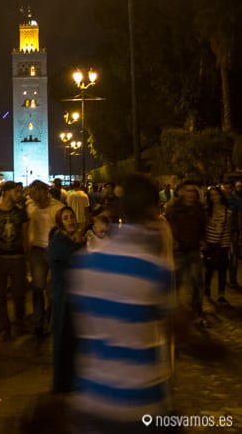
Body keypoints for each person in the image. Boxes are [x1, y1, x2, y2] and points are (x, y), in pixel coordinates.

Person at [69, 174, 181, 433]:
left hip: (93, 396)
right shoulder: (152, 268)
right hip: (143, 401)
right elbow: (176, 326)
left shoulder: (86, 262)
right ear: (154, 210)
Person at [0, 181, 29, 341]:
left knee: (19, 294)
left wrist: (26, 259)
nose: (19, 194)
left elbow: (25, 237)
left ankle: (20, 321)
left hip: (17, 258)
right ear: (6, 192)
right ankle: (4, 327)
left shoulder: (22, 213)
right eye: (16, 191)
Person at [47, 206, 84, 393]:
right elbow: (75, 257)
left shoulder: (76, 240)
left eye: (72, 217)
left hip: (76, 297)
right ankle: (62, 384)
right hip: (63, 298)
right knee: (63, 340)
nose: (71, 221)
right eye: (66, 218)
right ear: (60, 222)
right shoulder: (58, 242)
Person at [165, 180, 207, 326]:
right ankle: (174, 311)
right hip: (180, 251)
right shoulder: (174, 208)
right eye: (187, 190)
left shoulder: (199, 208)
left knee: (197, 281)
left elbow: (203, 224)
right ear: (181, 192)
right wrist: (173, 240)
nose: (190, 194)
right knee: (177, 281)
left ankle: (197, 309)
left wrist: (203, 239)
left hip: (194, 249)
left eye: (192, 191)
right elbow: (168, 225)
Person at [26, 180, 65, 336]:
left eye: (34, 191)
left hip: (53, 251)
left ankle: (50, 317)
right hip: (36, 250)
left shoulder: (58, 208)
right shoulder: (30, 207)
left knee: (52, 289)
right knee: (37, 287)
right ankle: (38, 321)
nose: (31, 195)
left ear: (43, 191)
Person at [203, 186, 232, 306]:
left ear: (221, 195)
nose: (214, 197)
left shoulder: (228, 211)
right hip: (210, 243)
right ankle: (207, 286)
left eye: (216, 194)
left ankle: (221, 295)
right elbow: (203, 227)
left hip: (223, 243)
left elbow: (228, 228)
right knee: (209, 268)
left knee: (222, 269)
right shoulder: (206, 210)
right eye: (212, 195)